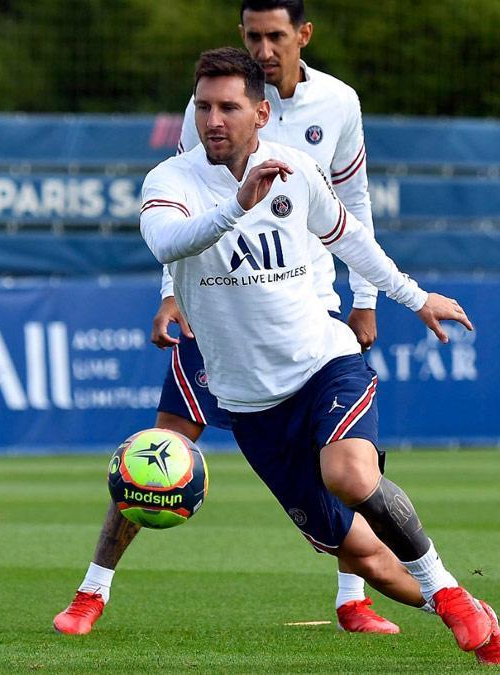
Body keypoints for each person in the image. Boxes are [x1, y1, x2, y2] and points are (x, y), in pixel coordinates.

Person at [138, 47, 500, 665]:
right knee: (365, 557)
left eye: (229, 107)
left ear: (260, 113)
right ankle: (454, 599)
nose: (214, 119)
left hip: (323, 364)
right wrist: (237, 204)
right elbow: (167, 240)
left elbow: (352, 240)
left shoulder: (296, 171)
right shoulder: (170, 183)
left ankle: (450, 600)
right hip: (251, 406)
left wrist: (415, 297)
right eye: (204, 106)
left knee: (350, 474)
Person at [55, 0, 413, 637]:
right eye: (253, 36)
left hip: (301, 308)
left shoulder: (338, 105)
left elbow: (351, 205)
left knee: (349, 460)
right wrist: (171, 292)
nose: (264, 50)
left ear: (303, 35)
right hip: (217, 308)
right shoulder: (218, 106)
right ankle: (93, 590)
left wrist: (367, 298)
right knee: (162, 447)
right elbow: (186, 209)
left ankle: (353, 597)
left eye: (276, 36)